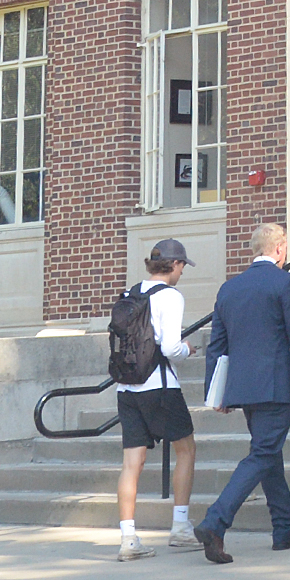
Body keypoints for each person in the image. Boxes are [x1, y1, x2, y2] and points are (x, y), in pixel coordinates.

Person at [196, 219, 290, 563]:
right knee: (263, 454)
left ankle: (284, 528)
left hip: (241, 387)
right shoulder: (285, 284)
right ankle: (215, 521)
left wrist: (216, 391)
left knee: (269, 453)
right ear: (281, 249)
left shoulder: (229, 289)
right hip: (272, 385)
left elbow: (216, 346)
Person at [111, 239, 197, 561]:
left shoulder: (130, 293)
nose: (182, 272)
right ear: (174, 266)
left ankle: (128, 538)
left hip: (127, 388)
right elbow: (171, 347)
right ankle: (180, 527)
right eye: (182, 266)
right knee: (186, 449)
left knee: (131, 463)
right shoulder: (171, 297)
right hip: (160, 386)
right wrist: (188, 350)